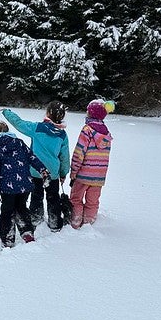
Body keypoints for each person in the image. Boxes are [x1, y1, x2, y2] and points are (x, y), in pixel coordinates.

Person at [0, 101, 70, 231]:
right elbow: (64, 156)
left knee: (36, 196)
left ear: (48, 113)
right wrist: (63, 173)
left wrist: (5, 111)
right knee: (53, 197)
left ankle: (36, 218)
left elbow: (19, 123)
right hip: (52, 173)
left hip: (36, 171)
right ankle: (55, 223)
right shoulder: (62, 135)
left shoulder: (37, 128)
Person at [0, 120, 49, 247]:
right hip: (25, 185)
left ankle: (7, 237)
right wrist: (42, 170)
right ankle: (27, 231)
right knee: (21, 207)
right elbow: (32, 157)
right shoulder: (19, 143)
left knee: (7, 211)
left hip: (7, 188)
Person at [69, 98, 114, 229]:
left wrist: (74, 171)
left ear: (90, 114)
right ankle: (89, 223)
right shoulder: (106, 133)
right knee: (92, 202)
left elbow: (79, 152)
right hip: (99, 176)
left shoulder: (87, 130)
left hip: (84, 174)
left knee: (76, 198)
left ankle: (75, 222)